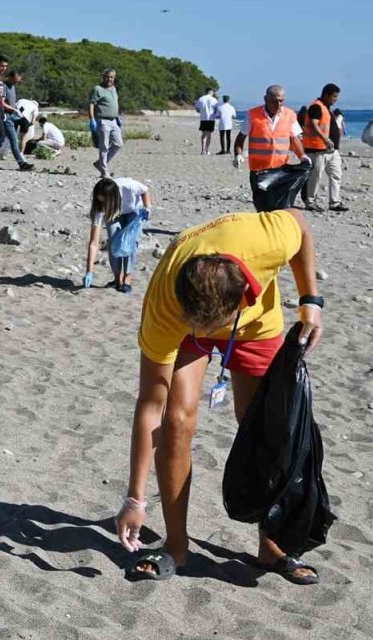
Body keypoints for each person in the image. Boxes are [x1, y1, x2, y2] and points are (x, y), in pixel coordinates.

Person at [115, 208, 325, 585]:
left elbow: (301, 223)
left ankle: (271, 545)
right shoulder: (166, 304)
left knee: (266, 428)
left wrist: (311, 299)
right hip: (185, 326)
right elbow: (151, 404)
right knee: (178, 421)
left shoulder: (266, 238)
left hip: (255, 326)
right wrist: (135, 498)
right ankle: (176, 545)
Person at [233, 85, 311, 212]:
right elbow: (240, 138)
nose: (278, 104)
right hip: (259, 171)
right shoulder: (253, 115)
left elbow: (294, 139)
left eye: (281, 101)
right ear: (265, 99)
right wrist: (238, 154)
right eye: (275, 101)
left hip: (280, 170)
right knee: (262, 207)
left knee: (280, 207)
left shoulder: (290, 115)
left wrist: (302, 156)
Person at [82, 177, 152, 293]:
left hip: (133, 210)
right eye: (100, 201)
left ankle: (127, 280)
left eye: (105, 201)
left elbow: (144, 190)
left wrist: (148, 207)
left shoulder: (129, 187)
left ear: (113, 198)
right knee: (113, 240)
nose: (102, 204)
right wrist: (89, 271)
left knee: (130, 241)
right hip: (114, 212)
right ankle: (117, 280)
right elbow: (94, 243)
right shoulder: (99, 208)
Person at [300, 83, 347, 212]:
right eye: (334, 96)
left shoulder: (326, 108)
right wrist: (325, 138)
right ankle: (310, 201)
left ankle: (335, 202)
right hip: (317, 149)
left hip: (331, 150)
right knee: (315, 177)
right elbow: (314, 124)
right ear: (326, 95)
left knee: (336, 175)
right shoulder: (316, 106)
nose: (336, 99)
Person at [0, 70, 35, 171]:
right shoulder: (3, 86)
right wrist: (13, 109)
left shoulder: (12, 87)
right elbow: (2, 102)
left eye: (18, 82)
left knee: (1, 140)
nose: (16, 83)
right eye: (15, 81)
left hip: (11, 117)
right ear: (10, 77)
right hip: (6, 116)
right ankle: (21, 163)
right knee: (13, 140)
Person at [88, 69, 123, 177]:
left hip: (114, 121)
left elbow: (114, 103)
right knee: (104, 147)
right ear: (103, 77)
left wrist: (117, 117)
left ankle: (100, 163)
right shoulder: (97, 89)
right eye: (107, 77)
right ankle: (104, 171)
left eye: (111, 77)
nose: (109, 79)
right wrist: (92, 119)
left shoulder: (113, 89)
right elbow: (91, 104)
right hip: (102, 121)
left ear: (114, 78)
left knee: (118, 144)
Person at [195, 89, 218, 155]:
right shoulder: (214, 99)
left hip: (203, 118)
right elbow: (216, 110)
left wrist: (201, 112)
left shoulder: (201, 98)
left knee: (204, 134)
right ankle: (207, 150)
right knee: (209, 135)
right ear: (211, 92)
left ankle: (202, 150)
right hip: (211, 119)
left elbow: (197, 109)